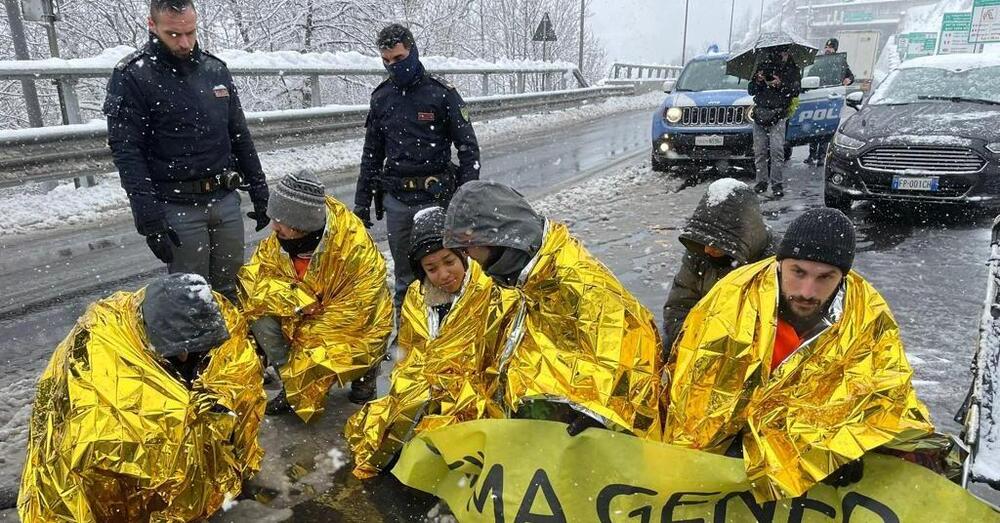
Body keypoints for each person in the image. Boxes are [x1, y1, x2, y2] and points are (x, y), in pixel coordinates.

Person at [664, 208, 934, 501]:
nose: (807, 291)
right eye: (798, 272)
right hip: (726, 478)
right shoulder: (733, 298)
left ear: (843, 276)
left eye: (825, 277)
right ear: (780, 264)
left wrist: (845, 447)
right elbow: (696, 393)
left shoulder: (867, 315)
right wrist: (737, 444)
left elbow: (883, 394)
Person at [18, 273, 265, 522]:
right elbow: (103, 448)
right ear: (179, 352)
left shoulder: (183, 316)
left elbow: (234, 364)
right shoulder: (107, 380)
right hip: (95, 462)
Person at [443, 181, 663, 439]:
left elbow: (630, 352)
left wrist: (598, 414)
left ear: (496, 238)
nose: (467, 255)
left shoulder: (576, 282)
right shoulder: (519, 278)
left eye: (468, 245)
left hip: (584, 445)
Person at [104, 0, 269, 303]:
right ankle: (199, 352)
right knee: (192, 299)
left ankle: (233, 351)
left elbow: (238, 134)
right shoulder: (133, 76)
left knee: (232, 290)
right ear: (152, 26)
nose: (184, 43)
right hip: (177, 205)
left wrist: (259, 188)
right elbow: (128, 152)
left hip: (225, 199)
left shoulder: (214, 70)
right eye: (173, 35)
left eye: (190, 33)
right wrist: (149, 219)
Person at [345, 207, 523, 478]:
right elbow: (410, 352)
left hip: (476, 384)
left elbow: (502, 351)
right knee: (401, 414)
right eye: (432, 269)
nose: (443, 275)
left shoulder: (492, 288)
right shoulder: (417, 297)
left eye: (449, 262)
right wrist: (426, 381)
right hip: (430, 383)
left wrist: (454, 378)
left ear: (463, 255)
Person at [239, 171, 393, 419]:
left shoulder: (351, 245)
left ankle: (365, 374)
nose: (273, 226)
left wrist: (309, 332)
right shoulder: (279, 241)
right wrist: (298, 301)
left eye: (280, 220)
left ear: (302, 224)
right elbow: (253, 282)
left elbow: (361, 307)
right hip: (303, 313)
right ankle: (294, 386)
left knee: (339, 347)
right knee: (259, 316)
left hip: (354, 323)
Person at [353, 23, 481, 311]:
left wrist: (466, 199)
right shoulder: (381, 98)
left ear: (412, 51)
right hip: (397, 200)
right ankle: (408, 343)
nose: (392, 66)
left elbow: (468, 149)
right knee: (405, 280)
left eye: (398, 59)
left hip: (436, 198)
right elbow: (371, 154)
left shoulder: (441, 94)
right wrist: (361, 203)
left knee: (443, 274)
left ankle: (449, 333)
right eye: (386, 61)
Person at [661, 178, 775, 354]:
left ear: (741, 238)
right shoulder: (699, 253)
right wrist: (693, 344)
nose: (707, 249)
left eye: (716, 244)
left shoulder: (773, 263)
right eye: (705, 242)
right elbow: (679, 307)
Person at [748, 47, 801, 199]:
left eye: (785, 53)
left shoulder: (792, 70)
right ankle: (761, 182)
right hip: (760, 113)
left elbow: (795, 91)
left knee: (777, 151)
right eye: (780, 53)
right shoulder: (764, 67)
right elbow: (751, 90)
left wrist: (780, 84)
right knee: (759, 151)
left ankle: (777, 184)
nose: (782, 56)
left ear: (789, 54)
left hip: (779, 114)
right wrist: (758, 80)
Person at [805, 37, 855, 166]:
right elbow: (811, 73)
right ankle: (811, 155)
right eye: (826, 47)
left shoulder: (839, 63)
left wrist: (847, 80)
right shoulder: (819, 62)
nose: (828, 50)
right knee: (813, 126)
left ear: (835, 49)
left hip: (831, 97)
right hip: (817, 95)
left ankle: (821, 156)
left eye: (831, 47)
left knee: (825, 128)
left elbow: (850, 76)